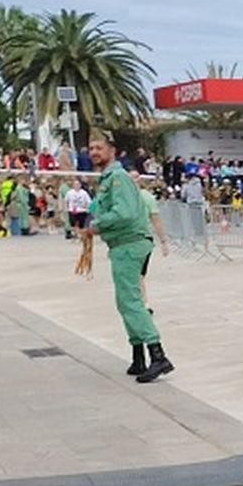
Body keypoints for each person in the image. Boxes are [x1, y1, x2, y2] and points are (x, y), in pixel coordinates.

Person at [84, 129, 174, 382]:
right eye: (91, 148)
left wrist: (97, 225)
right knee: (125, 300)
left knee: (130, 300)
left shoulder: (117, 178)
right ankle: (138, 355)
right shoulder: (108, 179)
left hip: (129, 244)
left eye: (99, 148)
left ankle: (158, 355)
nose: (94, 152)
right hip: (123, 245)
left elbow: (123, 213)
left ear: (111, 151)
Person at [138, 182, 168, 310]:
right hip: (141, 238)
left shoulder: (145, 197)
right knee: (139, 274)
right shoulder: (147, 197)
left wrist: (163, 241)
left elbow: (156, 219)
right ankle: (144, 302)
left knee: (138, 274)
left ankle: (143, 302)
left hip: (140, 238)